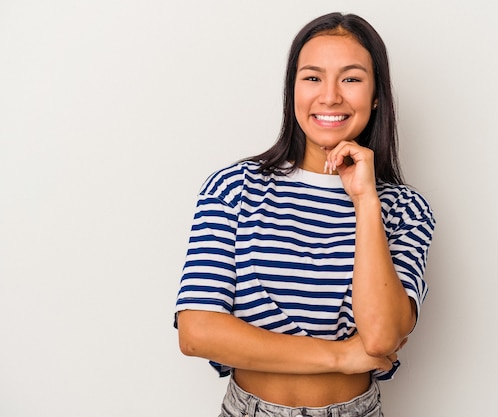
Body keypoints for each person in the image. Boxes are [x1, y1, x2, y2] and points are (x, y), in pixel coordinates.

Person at [174, 12, 435, 417]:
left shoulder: (405, 209)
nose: (330, 96)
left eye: (351, 78)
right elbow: (197, 331)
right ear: (291, 90)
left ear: (377, 94)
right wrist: (340, 357)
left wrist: (366, 201)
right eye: (312, 77)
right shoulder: (233, 188)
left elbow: (382, 337)